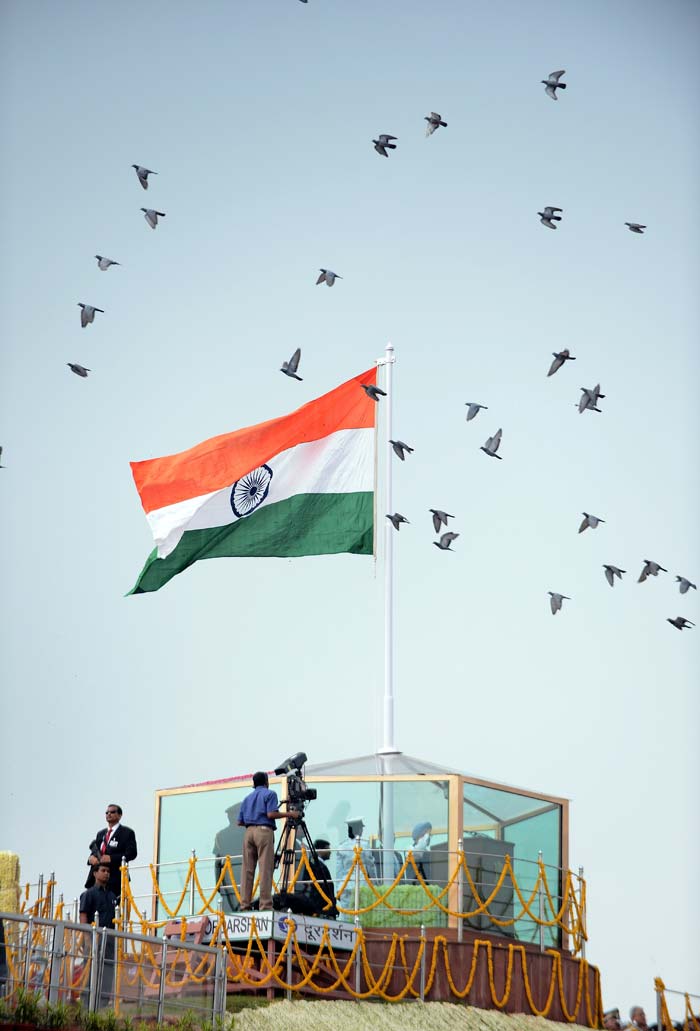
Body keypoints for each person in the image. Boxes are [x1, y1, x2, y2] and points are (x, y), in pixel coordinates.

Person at [237, 772, 298, 911]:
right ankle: (265, 905)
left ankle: (244, 905)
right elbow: (271, 814)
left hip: (248, 832)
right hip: (264, 831)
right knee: (265, 869)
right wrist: (290, 814)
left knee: (247, 870)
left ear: (254, 784)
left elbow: (239, 821)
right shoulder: (270, 794)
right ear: (266, 782)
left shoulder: (247, 798)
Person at [79, 862, 118, 1007]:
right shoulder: (88, 894)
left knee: (107, 973)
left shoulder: (112, 896)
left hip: (109, 941)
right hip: (94, 940)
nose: (106, 873)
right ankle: (85, 1005)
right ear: (95, 873)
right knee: (90, 972)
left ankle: (102, 1005)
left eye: (108, 871)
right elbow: (83, 917)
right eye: (103, 870)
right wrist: (87, 939)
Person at [85, 804, 138, 899]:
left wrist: (111, 858)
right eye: (107, 812)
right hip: (96, 879)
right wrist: (90, 859)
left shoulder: (127, 832)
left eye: (112, 812)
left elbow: (132, 853)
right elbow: (95, 850)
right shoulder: (101, 834)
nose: (109, 814)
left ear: (120, 815)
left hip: (115, 879)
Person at [335, 818, 377, 910]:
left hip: (345, 885)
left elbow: (339, 871)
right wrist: (375, 884)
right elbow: (370, 866)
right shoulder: (365, 845)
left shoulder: (341, 846)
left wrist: (338, 889)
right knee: (362, 914)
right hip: (362, 884)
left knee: (346, 916)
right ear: (359, 830)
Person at [212, 802, 244, 914]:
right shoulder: (247, 832)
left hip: (226, 877)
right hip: (243, 873)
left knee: (227, 908)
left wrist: (218, 883)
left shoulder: (220, 835)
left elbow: (217, 862)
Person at [293, 839, 337, 919]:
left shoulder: (319, 865)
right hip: (319, 908)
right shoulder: (314, 866)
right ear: (319, 850)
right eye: (327, 849)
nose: (330, 852)